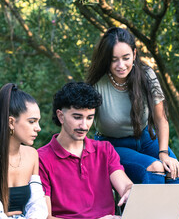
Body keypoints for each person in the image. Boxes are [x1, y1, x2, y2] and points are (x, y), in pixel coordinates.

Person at [85, 27, 179, 218]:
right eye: (113, 59)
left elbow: (161, 119)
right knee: (153, 168)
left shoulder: (147, 75)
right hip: (112, 145)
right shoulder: (96, 85)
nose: (121, 65)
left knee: (175, 171)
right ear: (106, 59)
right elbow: (82, 122)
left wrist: (164, 153)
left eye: (126, 57)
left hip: (146, 139)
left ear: (134, 54)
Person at [38, 82, 133, 219]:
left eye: (89, 117)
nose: (84, 125)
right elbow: (45, 217)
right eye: (77, 117)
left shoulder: (105, 150)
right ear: (61, 116)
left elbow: (125, 186)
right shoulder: (41, 159)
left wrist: (129, 191)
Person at [0, 83, 48, 219]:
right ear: (11, 122)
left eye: (38, 122)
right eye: (32, 122)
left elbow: (37, 205)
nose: (38, 128)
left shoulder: (32, 155)